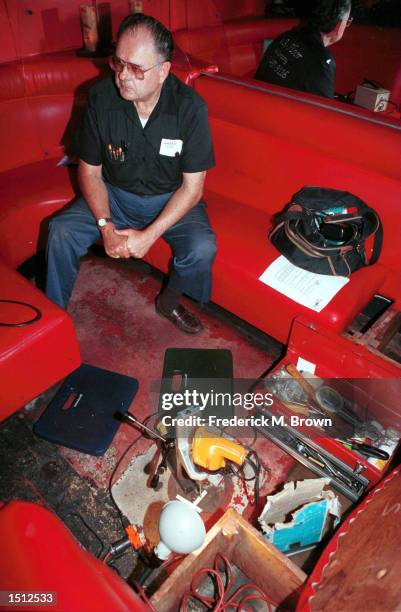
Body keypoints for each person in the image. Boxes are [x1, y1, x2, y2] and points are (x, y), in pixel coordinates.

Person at [46, 14, 216, 334]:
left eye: (136, 68)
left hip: (171, 198)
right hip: (115, 194)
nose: (123, 76)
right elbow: (91, 172)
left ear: (163, 70)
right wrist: (105, 226)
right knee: (61, 231)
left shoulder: (190, 108)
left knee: (202, 248)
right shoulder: (100, 98)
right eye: (118, 63)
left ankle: (168, 302)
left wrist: (149, 235)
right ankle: (52, 321)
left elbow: (193, 189)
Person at [255, 0, 352, 98]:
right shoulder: (321, 62)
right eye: (348, 21)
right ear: (338, 25)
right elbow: (324, 110)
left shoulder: (285, 37)